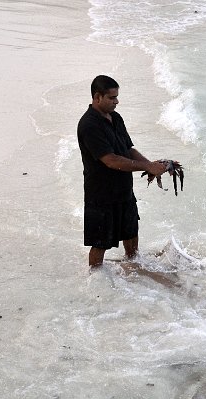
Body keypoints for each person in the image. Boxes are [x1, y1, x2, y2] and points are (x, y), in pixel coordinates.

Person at [77, 75, 169, 267]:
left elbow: (128, 149)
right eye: (111, 98)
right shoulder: (89, 125)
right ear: (97, 97)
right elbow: (110, 160)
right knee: (99, 244)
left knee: (131, 233)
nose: (116, 101)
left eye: (117, 97)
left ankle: (133, 268)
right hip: (100, 194)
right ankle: (97, 280)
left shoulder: (116, 118)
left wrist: (150, 164)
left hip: (123, 190)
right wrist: (147, 167)